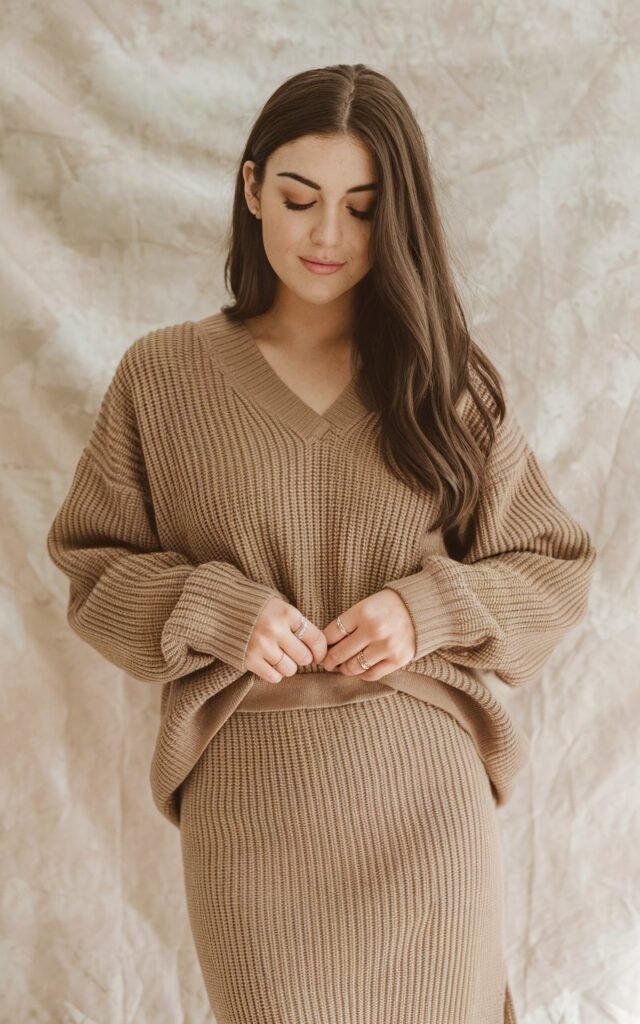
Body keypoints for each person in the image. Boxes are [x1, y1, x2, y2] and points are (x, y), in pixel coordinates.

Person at [46, 63, 597, 1023]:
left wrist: (426, 609)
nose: (329, 235)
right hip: (250, 816)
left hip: (427, 813)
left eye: (363, 207)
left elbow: (550, 569)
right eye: (300, 199)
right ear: (252, 188)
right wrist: (213, 607)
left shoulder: (444, 380)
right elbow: (94, 571)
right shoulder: (163, 378)